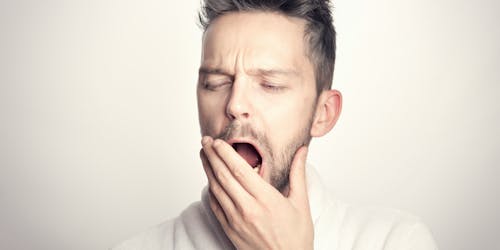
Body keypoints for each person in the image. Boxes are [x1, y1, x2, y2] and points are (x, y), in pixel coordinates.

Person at [113, 0, 438, 249]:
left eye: (269, 85)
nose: (235, 105)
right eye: (215, 82)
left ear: (322, 113)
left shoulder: (396, 241)